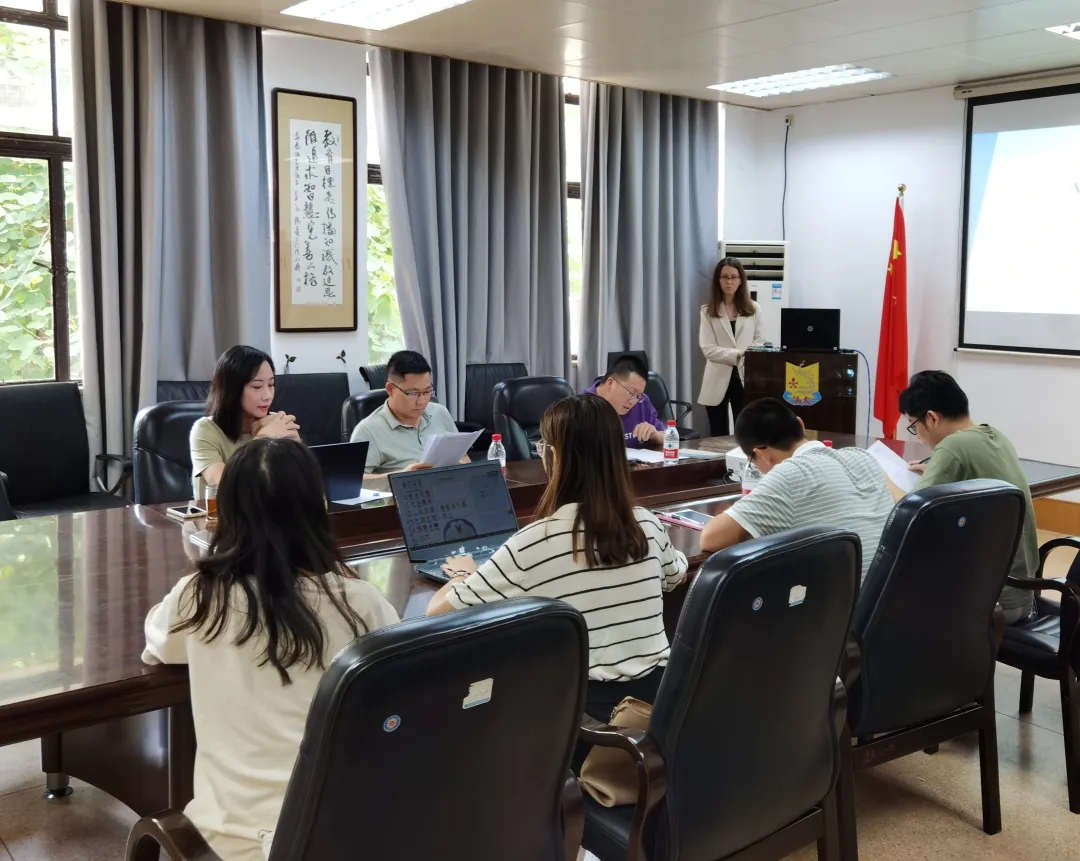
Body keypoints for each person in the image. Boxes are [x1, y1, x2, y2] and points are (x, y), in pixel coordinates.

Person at [143, 438, 399, 861]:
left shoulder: (201, 596)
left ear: (226, 514)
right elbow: (395, 682)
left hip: (231, 842)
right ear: (318, 508)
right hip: (344, 834)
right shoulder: (358, 601)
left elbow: (161, 643)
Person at [425, 394, 688, 720]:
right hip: (659, 704)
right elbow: (676, 575)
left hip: (588, 718)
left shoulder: (535, 542)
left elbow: (438, 612)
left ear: (556, 455)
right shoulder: (646, 524)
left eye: (542, 446)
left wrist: (463, 574)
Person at [899, 370, 1036, 624]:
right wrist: (937, 468)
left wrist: (884, 481)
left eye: (913, 425)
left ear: (931, 418)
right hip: (1023, 593)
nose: (917, 435)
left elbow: (910, 511)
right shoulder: (995, 436)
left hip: (990, 603)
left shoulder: (952, 446)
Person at [699, 397, 893, 576]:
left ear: (761, 454)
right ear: (800, 424)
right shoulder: (863, 457)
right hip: (887, 592)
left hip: (847, 599)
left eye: (752, 461)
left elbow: (710, 538)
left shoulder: (787, 476)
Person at [190, 346, 300, 501]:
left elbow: (301, 488)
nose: (267, 396)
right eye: (257, 386)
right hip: (222, 515)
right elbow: (225, 486)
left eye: (271, 385)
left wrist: (297, 450)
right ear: (232, 389)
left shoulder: (278, 423)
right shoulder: (205, 430)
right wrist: (263, 439)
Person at [349, 349, 460, 474]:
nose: (422, 401)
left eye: (427, 391)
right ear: (390, 389)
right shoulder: (368, 431)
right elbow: (354, 481)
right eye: (413, 393)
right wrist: (402, 475)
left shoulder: (440, 412)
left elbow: (463, 457)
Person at [698, 257, 764, 437]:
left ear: (741, 280)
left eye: (734, 277)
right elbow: (708, 348)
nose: (729, 282)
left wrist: (749, 352)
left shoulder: (754, 308)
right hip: (716, 378)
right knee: (718, 435)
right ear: (718, 280)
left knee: (746, 433)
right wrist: (738, 353)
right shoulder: (707, 311)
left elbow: (760, 341)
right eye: (725, 277)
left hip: (745, 377)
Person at [584, 353, 665, 448]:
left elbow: (667, 436)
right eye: (631, 393)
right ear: (610, 383)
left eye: (638, 396)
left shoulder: (642, 403)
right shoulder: (582, 407)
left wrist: (656, 436)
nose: (633, 401)